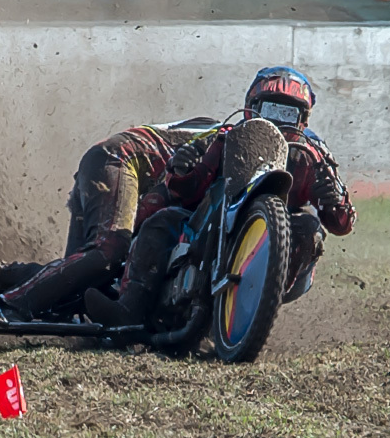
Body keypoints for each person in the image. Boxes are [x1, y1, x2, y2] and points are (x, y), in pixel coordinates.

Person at [85, 66, 358, 326]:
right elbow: (183, 189)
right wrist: (182, 168)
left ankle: (263, 301)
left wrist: (333, 201)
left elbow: (342, 223)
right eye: (270, 109)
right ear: (252, 108)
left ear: (303, 119)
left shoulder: (315, 155)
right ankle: (128, 308)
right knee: (163, 219)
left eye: (287, 113)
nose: (276, 122)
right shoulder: (227, 135)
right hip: (207, 223)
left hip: (274, 238)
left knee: (310, 227)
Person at [0, 117, 223, 322]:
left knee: (77, 284)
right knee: (109, 250)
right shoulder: (226, 136)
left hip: (106, 162)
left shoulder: (227, 145)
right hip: (117, 159)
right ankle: (10, 306)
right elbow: (161, 200)